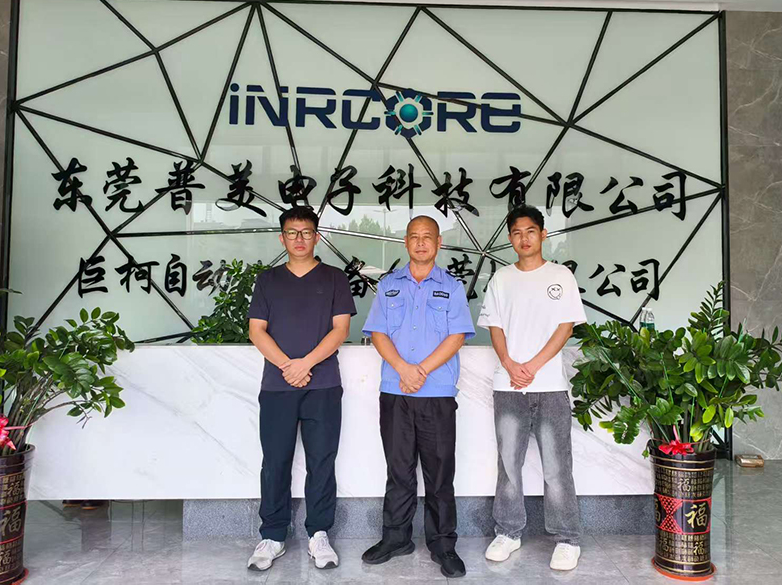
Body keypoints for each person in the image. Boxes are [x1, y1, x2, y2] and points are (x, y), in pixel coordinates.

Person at [360, 216, 475, 579]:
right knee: (399, 470)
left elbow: (457, 336)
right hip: (396, 391)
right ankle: (396, 538)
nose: (421, 242)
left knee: (439, 473)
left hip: (436, 393)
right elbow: (378, 332)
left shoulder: (452, 287)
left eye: (428, 237)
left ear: (439, 243)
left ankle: (443, 544)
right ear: (406, 242)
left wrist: (420, 370)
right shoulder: (388, 285)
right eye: (414, 236)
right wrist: (403, 369)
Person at [246, 206, 356, 572]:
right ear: (282, 238)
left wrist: (305, 364)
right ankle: (273, 535)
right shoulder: (268, 280)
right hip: (276, 387)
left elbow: (341, 329)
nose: (299, 239)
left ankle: (319, 534)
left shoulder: (335, 278)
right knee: (274, 461)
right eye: (292, 233)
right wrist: (287, 367)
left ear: (316, 237)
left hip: (323, 385)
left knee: (321, 461)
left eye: (306, 232)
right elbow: (256, 331)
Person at [477, 205, 587, 572]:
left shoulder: (561, 276)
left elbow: (565, 327)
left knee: (557, 467)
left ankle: (567, 539)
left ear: (543, 234)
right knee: (509, 464)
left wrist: (534, 366)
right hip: (508, 386)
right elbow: (495, 327)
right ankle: (508, 532)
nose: (524, 238)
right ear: (510, 238)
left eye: (530, 231)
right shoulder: (501, 279)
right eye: (516, 233)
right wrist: (510, 365)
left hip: (550, 386)